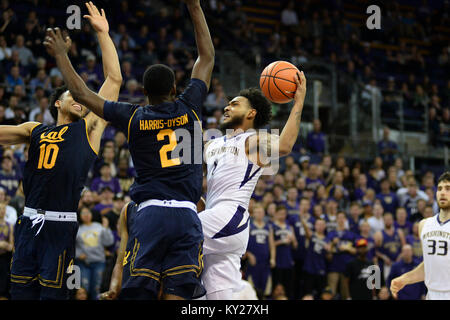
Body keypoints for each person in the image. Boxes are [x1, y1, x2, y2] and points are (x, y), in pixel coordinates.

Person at [45, 0, 215, 300]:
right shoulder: (190, 107)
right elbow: (207, 56)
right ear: (175, 90)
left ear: (144, 93)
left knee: (139, 293)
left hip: (149, 215)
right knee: (179, 294)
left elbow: (83, 94)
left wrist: (61, 56)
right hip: (187, 216)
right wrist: (194, 7)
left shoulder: (134, 115)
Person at [5, 2, 122, 300]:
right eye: (73, 94)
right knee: (19, 294)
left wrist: (103, 34)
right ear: (57, 103)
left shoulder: (89, 128)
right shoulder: (35, 130)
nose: (81, 96)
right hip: (28, 223)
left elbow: (114, 80)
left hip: (60, 226)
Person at [198, 66, 306, 299]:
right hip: (215, 223)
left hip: (230, 217)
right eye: (228, 103)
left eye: (235, 103)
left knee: (173, 232)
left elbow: (285, 146)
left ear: (251, 114)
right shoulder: (211, 144)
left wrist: (298, 103)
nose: (227, 106)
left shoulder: (252, 140)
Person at [391, 172, 450, 300]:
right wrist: (404, 279)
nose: (443, 192)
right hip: (432, 294)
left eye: (448, 189)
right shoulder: (424, 224)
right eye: (440, 189)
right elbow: (428, 266)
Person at [75, 206, 114, 300]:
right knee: (84, 288)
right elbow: (72, 245)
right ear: (79, 216)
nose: (86, 215)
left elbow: (109, 242)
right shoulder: (77, 228)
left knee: (97, 288)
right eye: (83, 213)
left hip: (99, 262)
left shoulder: (98, 226)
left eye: (88, 212)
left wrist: (105, 228)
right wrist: (78, 254)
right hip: (84, 263)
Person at [245, 204, 275, 299]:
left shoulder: (268, 227)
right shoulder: (249, 226)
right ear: (253, 214)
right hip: (253, 262)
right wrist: (248, 254)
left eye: (261, 212)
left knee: (265, 290)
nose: (259, 214)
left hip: (265, 262)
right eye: (257, 212)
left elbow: (272, 245)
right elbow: (243, 244)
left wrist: (273, 258)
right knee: (253, 289)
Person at [0, 203, 13, 299]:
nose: (2, 211)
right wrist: (2, 244)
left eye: (4, 208)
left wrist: (5, 245)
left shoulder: (9, 226)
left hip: (4, 257)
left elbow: (11, 246)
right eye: (0, 209)